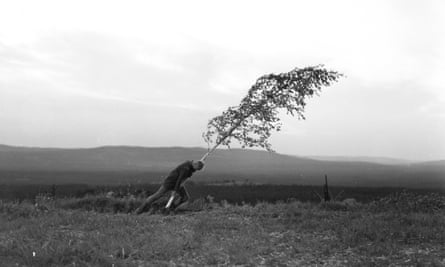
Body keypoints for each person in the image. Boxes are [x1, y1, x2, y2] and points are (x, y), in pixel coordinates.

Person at [135, 160, 205, 214]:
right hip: (170, 182)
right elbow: (179, 180)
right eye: (197, 169)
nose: (196, 170)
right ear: (195, 165)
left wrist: (195, 168)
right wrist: (174, 191)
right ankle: (139, 210)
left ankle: (173, 208)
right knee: (157, 195)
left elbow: (190, 172)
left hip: (178, 184)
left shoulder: (190, 164)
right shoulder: (185, 169)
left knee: (185, 198)